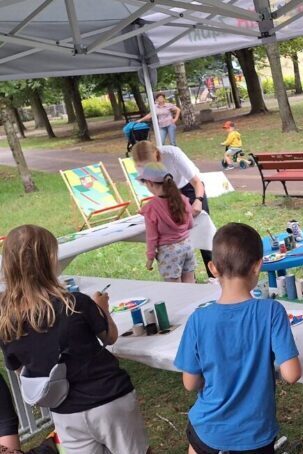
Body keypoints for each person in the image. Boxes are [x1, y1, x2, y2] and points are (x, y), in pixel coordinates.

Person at [0, 225, 150, 453]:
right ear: (50, 261)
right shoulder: (75, 303)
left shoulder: (7, 323)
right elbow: (110, 337)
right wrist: (102, 309)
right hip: (109, 398)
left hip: (64, 411)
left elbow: (23, 371)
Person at [174, 222, 301, 454]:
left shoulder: (198, 319)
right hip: (255, 435)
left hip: (206, 430)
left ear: (213, 268)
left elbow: (190, 383)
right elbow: (292, 374)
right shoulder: (271, 311)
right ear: (257, 266)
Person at [132, 141, 214, 279]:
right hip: (166, 194)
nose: (146, 168)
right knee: (182, 242)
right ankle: (190, 279)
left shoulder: (172, 154)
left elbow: (197, 183)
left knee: (203, 236)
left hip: (190, 188)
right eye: (143, 166)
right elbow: (153, 188)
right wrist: (154, 207)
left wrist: (198, 201)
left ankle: (215, 278)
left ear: (156, 154)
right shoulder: (142, 165)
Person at [138, 162, 196, 283]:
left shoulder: (151, 208)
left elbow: (152, 237)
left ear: (150, 183)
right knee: (190, 285)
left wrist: (150, 258)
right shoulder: (183, 199)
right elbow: (190, 224)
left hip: (169, 253)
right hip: (187, 246)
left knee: (175, 290)